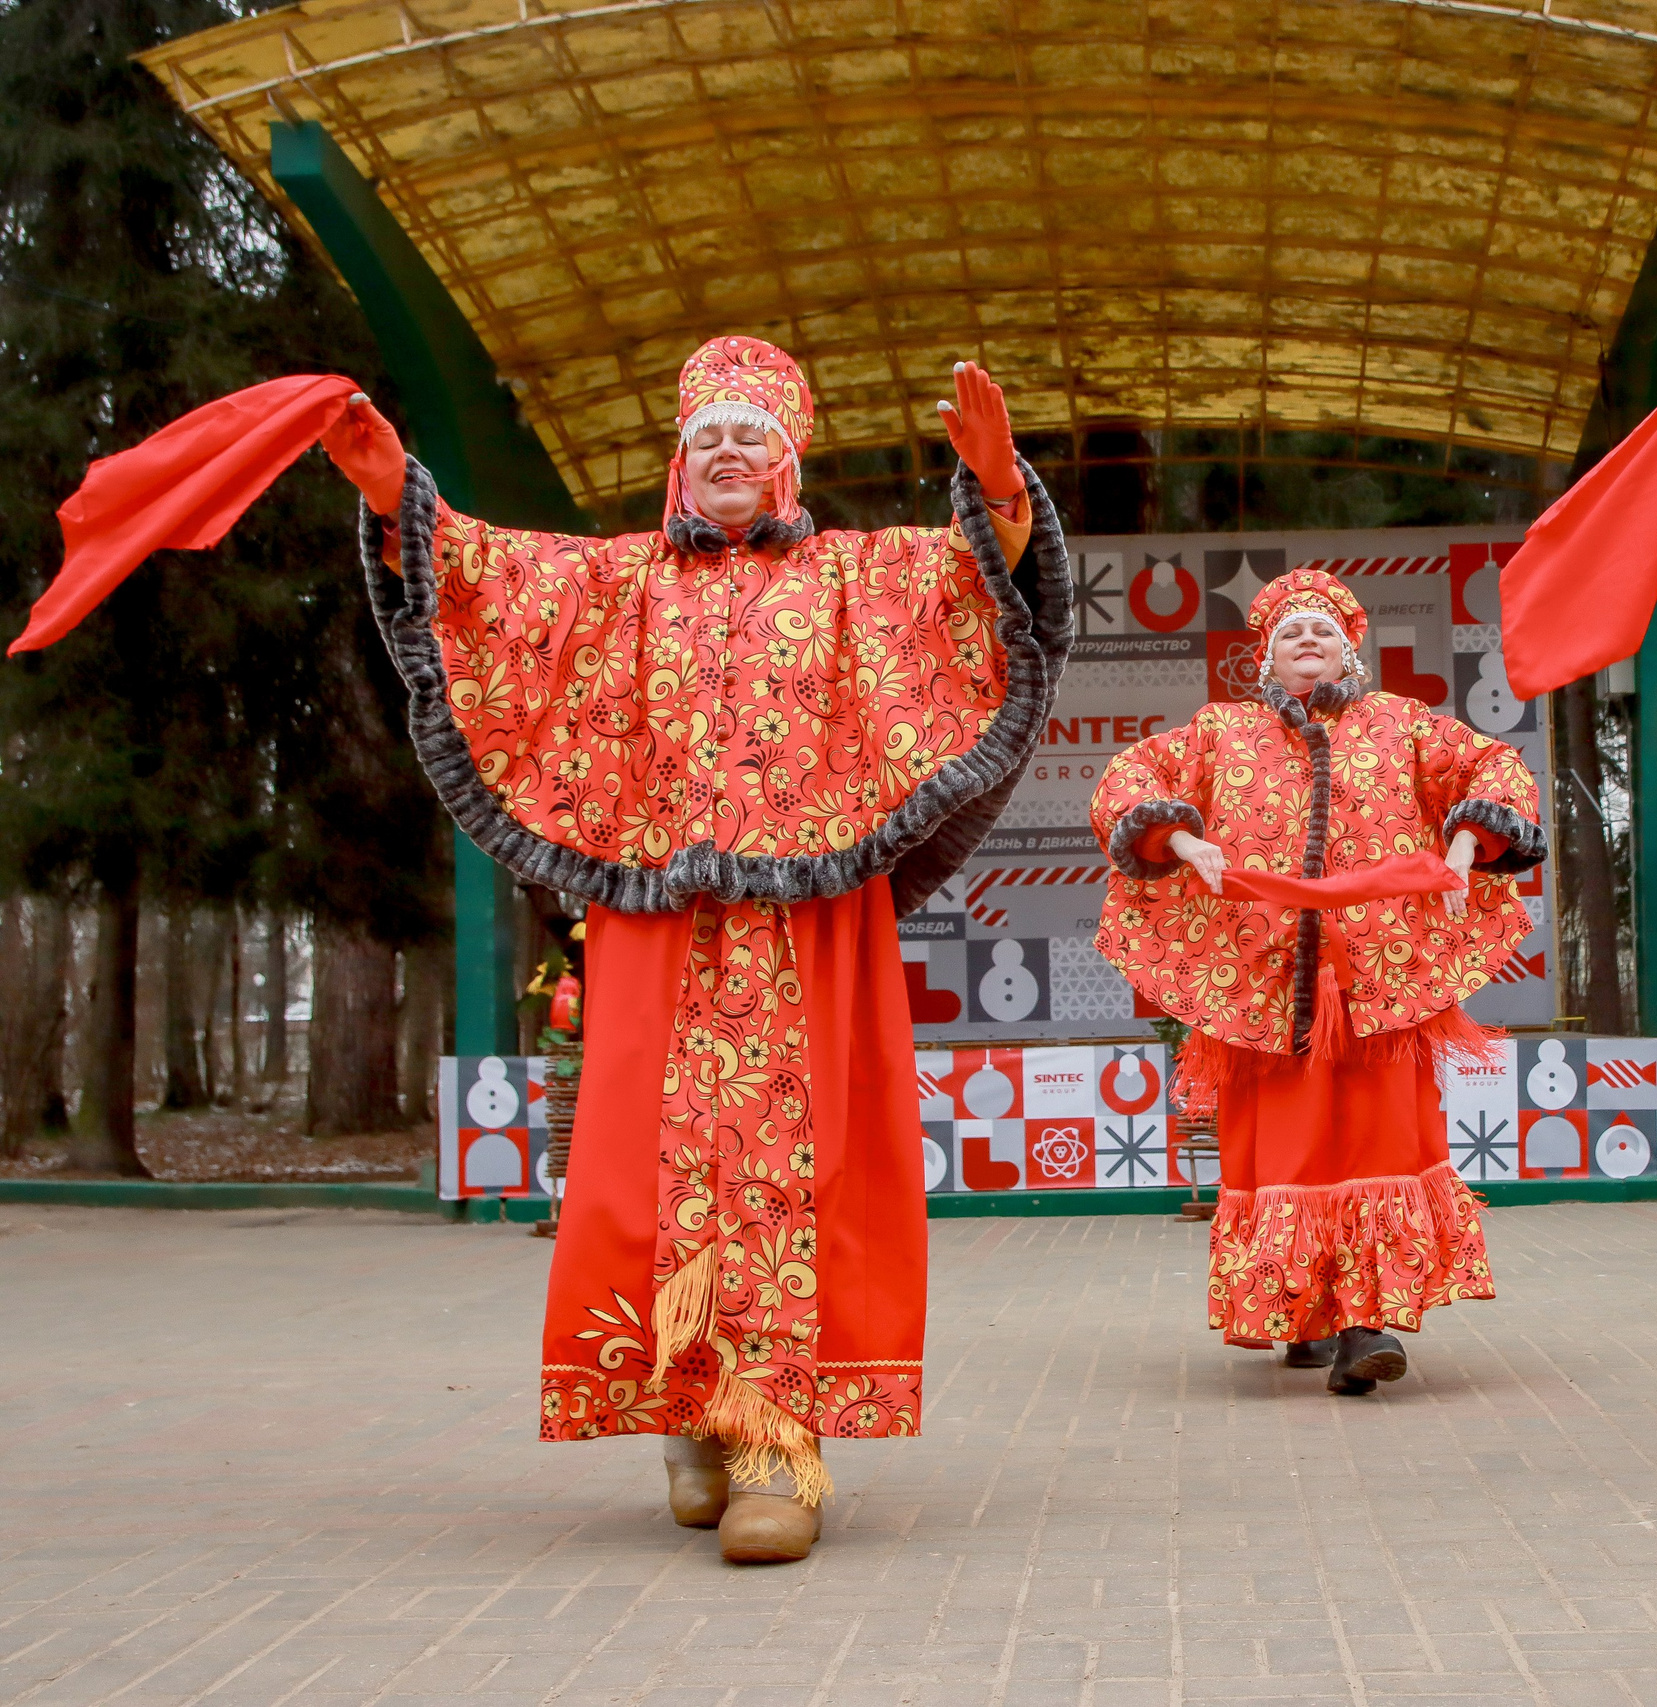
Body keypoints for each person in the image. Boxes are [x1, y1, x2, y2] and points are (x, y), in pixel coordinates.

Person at [320, 337, 1070, 1560]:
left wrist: (995, 495)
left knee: (803, 1162)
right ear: (680, 462)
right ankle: (691, 1408)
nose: (727, 452)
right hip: (661, 922)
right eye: (707, 435)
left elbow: (977, 597)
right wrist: (400, 498)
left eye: (751, 436)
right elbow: (485, 582)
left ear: (789, 462)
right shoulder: (614, 584)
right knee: (642, 1166)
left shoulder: (855, 578)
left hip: (806, 923)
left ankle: (780, 1439)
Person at [1089, 569, 1545, 1393]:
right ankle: (1302, 1313)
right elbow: (1129, 782)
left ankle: (1362, 1325)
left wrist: (1469, 841)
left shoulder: (1402, 726)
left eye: (1323, 630)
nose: (1308, 639)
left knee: (1381, 1142)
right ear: (1264, 657)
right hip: (1263, 993)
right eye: (1290, 630)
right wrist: (1186, 841)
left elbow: (1495, 766)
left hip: (1380, 988)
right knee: (1287, 1156)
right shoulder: (1220, 732)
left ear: (1351, 649)